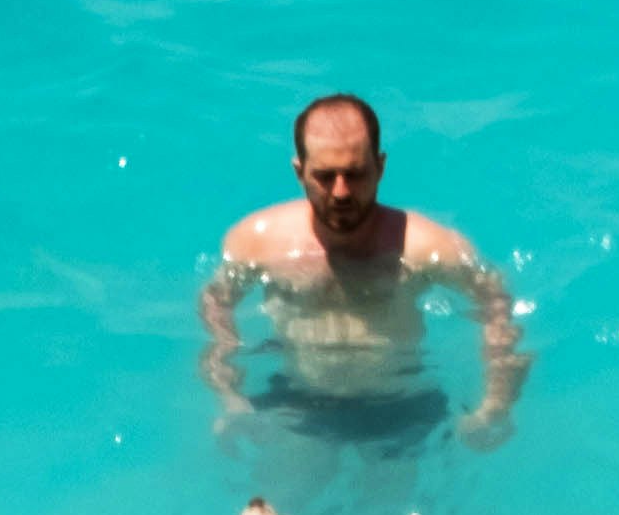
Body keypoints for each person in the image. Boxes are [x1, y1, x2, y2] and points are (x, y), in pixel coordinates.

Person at [199, 94, 527, 452]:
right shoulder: (257, 242)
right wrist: (230, 398)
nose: (341, 192)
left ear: (381, 167)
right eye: (325, 176)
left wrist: (494, 405)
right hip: (296, 400)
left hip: (400, 403)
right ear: (299, 172)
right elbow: (217, 303)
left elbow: (494, 300)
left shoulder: (426, 247)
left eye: (354, 174)